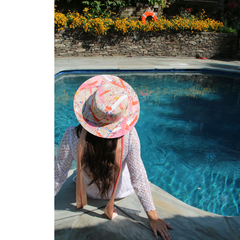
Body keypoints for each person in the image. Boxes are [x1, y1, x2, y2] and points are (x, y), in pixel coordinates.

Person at [55, 75, 173, 240]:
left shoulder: (71, 135)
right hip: (120, 193)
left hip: (87, 192)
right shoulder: (130, 136)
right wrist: (153, 217)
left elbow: (58, 175)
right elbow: (138, 178)